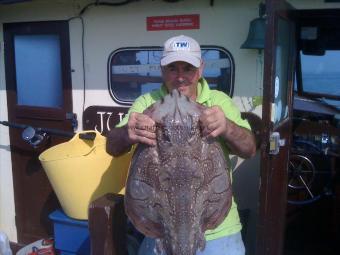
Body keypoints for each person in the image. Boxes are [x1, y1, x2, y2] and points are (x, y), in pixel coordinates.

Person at [106, 35, 256, 255]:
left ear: (201, 69)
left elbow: (250, 149)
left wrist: (227, 127)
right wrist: (129, 131)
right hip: (160, 230)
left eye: (188, 68)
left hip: (217, 228)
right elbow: (111, 147)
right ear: (162, 69)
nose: (180, 77)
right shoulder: (146, 103)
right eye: (172, 68)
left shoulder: (219, 101)